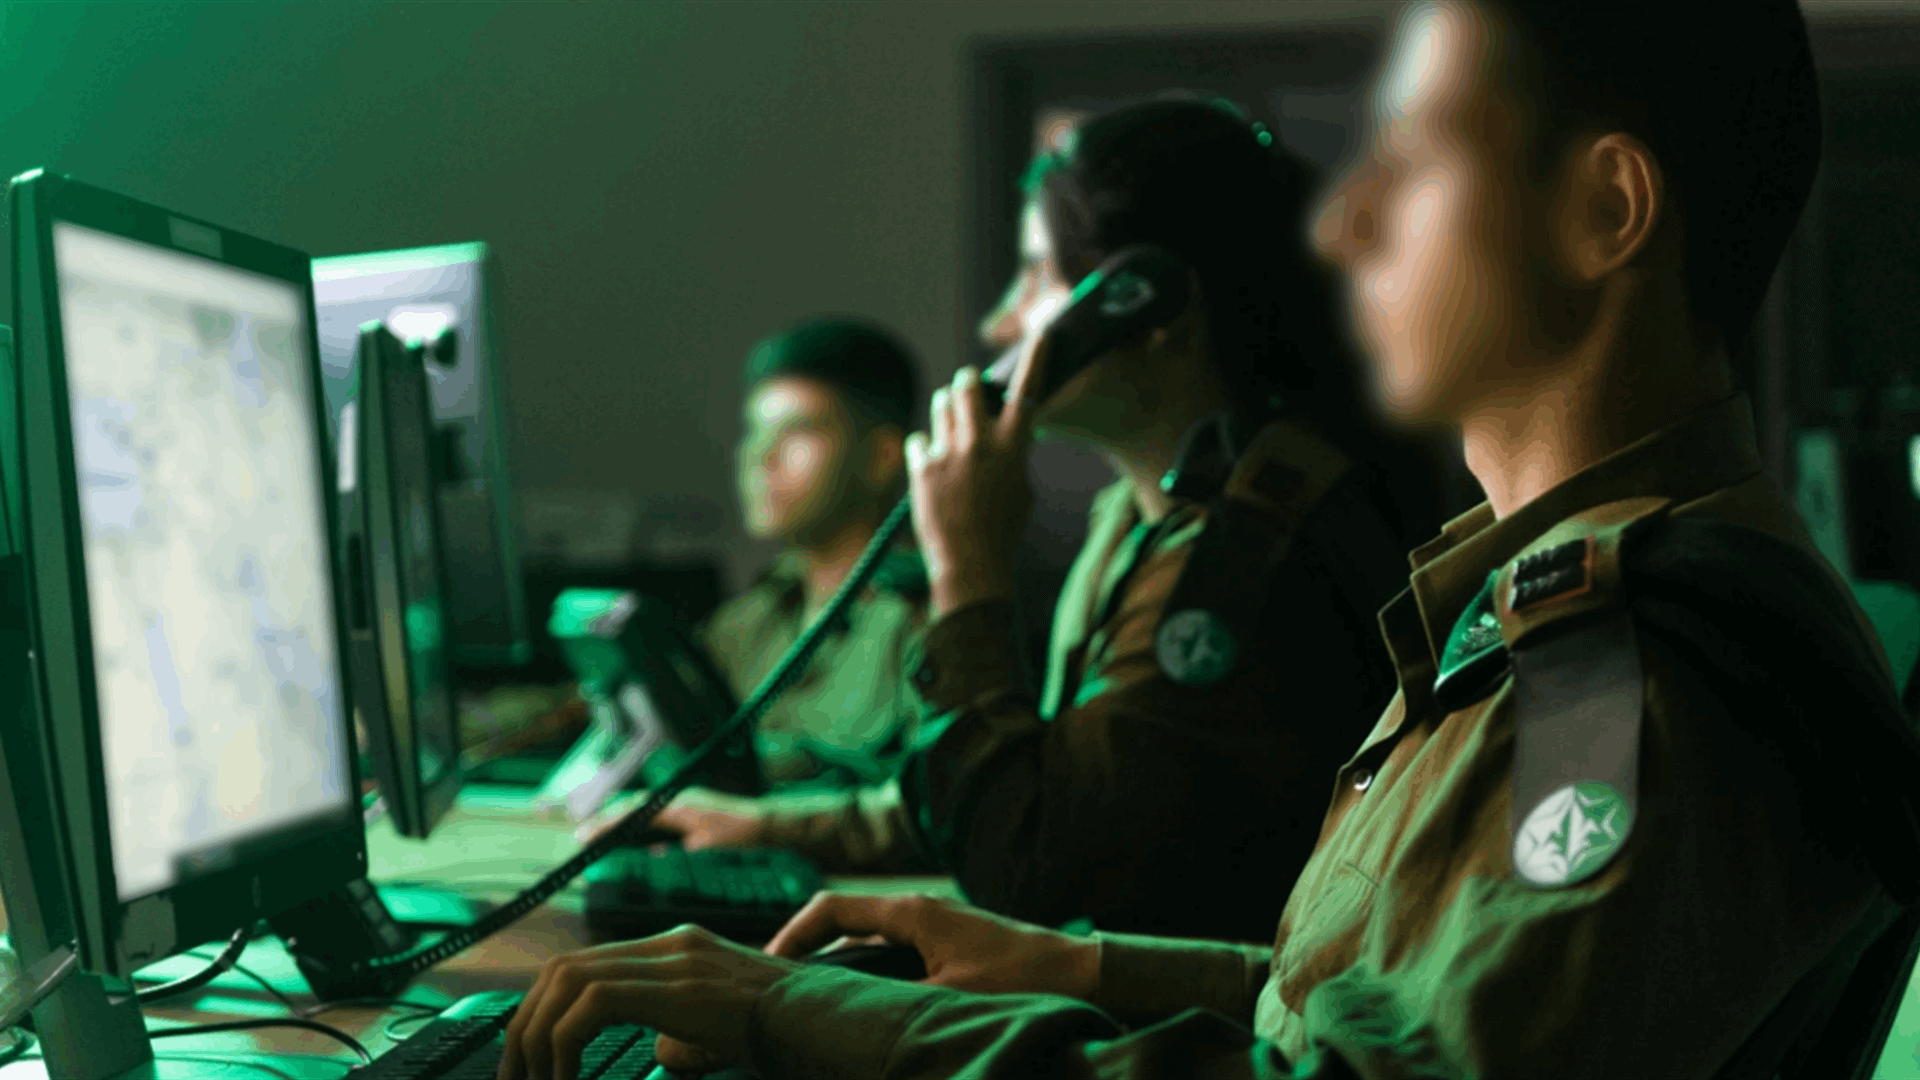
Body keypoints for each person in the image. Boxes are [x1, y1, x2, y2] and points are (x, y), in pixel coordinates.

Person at [495, 3, 1920, 1079]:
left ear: (1603, 212)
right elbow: (1375, 1007)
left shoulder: (1617, 672)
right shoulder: (1520, 610)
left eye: (1411, 162)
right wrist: (1072, 964)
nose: (1347, 223)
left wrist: (791, 1011)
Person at [644, 96, 1433, 938]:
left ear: (1140, 302)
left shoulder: (1244, 556)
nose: (997, 326)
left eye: (1033, 279)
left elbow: (1032, 865)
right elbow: (1047, 781)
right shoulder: (1133, 519)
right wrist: (771, 827)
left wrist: (967, 570)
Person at [701, 317, 928, 790]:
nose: (760, 456)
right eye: (754, 430)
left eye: (798, 431)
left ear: (883, 456)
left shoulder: (926, 615)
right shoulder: (751, 619)